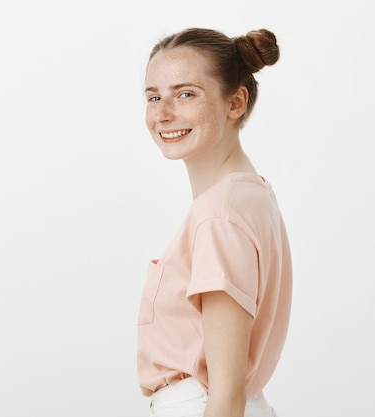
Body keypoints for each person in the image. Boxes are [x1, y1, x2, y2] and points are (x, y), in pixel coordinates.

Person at [136, 28, 292, 417]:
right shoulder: (251, 196)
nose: (163, 113)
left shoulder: (219, 215)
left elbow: (226, 395)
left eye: (186, 94)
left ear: (236, 102)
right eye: (154, 96)